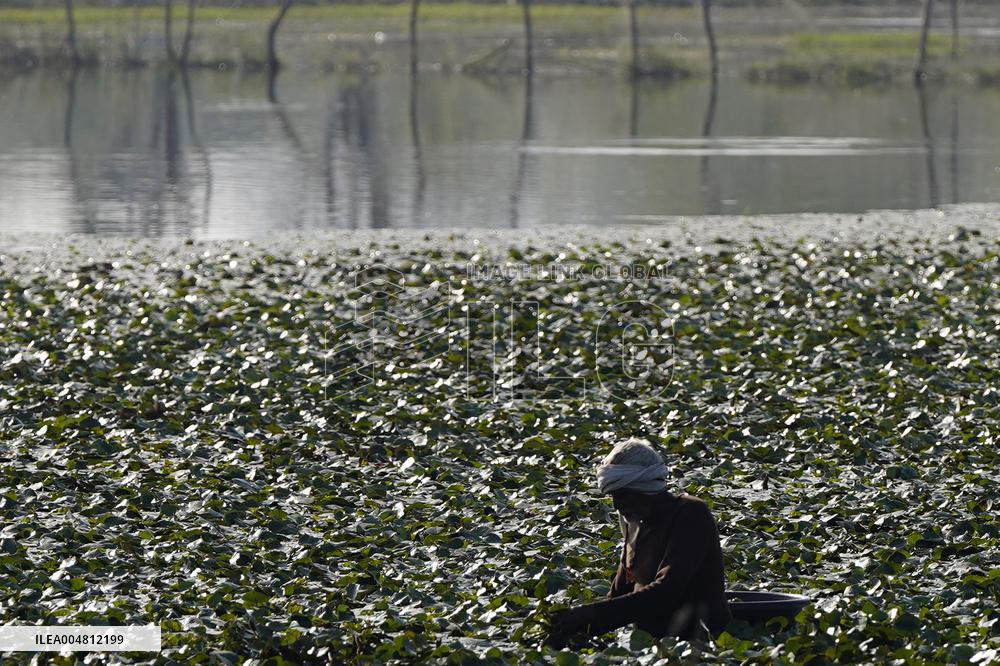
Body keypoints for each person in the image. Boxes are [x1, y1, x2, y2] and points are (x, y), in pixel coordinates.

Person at [544, 438, 731, 648]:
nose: (616, 505)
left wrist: (591, 614)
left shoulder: (691, 513)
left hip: (698, 640)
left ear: (645, 489)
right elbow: (619, 593)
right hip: (648, 642)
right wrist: (580, 627)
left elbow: (666, 591)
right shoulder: (635, 523)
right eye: (613, 496)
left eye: (622, 495)